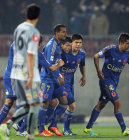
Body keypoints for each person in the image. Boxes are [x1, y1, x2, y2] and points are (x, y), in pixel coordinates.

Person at [0, 4, 41, 140]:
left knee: (26, 103)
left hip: (15, 74)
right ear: (38, 17)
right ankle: (19, 130)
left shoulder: (19, 30)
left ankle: (12, 126)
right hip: (21, 74)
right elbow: (29, 55)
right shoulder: (34, 34)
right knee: (30, 103)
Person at [84, 33, 129, 136]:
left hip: (114, 82)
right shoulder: (110, 49)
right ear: (120, 43)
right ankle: (124, 129)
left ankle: (88, 128)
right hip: (105, 80)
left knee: (101, 104)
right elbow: (96, 56)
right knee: (117, 102)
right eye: (127, 43)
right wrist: (98, 71)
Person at [48, 34, 86, 136]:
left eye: (80, 42)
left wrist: (83, 76)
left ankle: (64, 129)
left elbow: (82, 64)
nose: (78, 45)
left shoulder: (82, 54)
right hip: (60, 82)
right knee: (70, 105)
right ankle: (53, 125)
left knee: (68, 106)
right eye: (76, 42)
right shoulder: (63, 52)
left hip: (70, 83)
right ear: (71, 43)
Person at [38, 24, 68, 136]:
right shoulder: (52, 45)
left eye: (65, 31)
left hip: (54, 79)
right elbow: (50, 65)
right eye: (63, 32)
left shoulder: (58, 45)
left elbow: (55, 62)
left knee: (64, 101)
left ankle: (53, 125)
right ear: (57, 33)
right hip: (47, 79)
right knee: (45, 103)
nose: (65, 34)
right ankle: (41, 130)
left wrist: (59, 75)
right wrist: (59, 73)